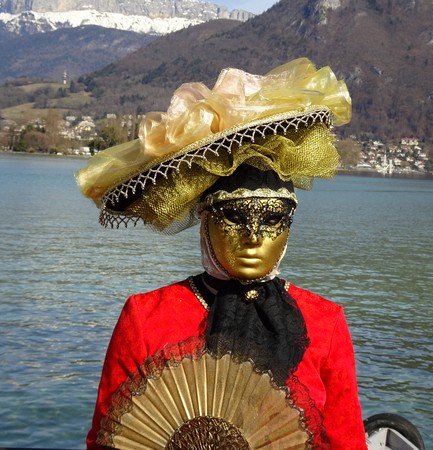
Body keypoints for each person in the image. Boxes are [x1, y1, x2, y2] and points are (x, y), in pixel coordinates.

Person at [77, 58, 367, 449]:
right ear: (204, 219)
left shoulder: (324, 323)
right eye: (234, 215)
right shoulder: (146, 318)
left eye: (273, 219)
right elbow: (109, 440)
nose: (253, 236)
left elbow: (347, 441)